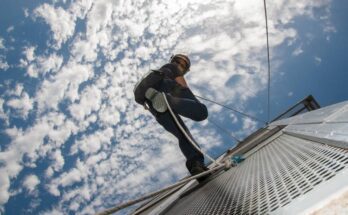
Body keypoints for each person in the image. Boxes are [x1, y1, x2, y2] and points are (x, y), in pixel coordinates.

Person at [134, 54, 210, 180]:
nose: (180, 66)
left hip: (154, 103)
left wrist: (151, 102)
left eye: (182, 65)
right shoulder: (171, 68)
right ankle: (167, 100)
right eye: (181, 64)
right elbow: (183, 86)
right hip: (168, 90)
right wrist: (186, 94)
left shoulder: (156, 74)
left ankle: (196, 165)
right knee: (201, 111)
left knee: (182, 134)